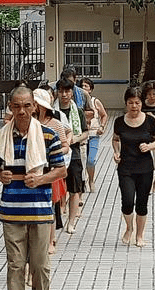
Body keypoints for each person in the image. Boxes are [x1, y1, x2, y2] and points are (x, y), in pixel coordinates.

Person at [0, 86, 67, 290]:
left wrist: (41, 180)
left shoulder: (49, 136)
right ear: (10, 107)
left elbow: (61, 170)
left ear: (34, 107)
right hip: (11, 212)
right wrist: (0, 175)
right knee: (15, 265)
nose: (22, 111)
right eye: (16, 106)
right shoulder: (0, 137)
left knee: (40, 266)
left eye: (26, 106)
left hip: (40, 211)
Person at [112, 86, 155, 247]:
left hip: (145, 168)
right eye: (130, 103)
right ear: (126, 103)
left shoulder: (149, 121)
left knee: (142, 203)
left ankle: (140, 235)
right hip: (125, 167)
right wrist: (116, 152)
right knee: (127, 201)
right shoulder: (119, 122)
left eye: (137, 103)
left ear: (142, 103)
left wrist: (149, 146)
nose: (134, 106)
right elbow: (115, 139)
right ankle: (129, 228)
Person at [33, 88, 71, 255]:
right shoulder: (28, 123)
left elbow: (65, 146)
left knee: (50, 205)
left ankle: (50, 240)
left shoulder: (55, 123)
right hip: (33, 169)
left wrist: (52, 153)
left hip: (50, 169)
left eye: (35, 103)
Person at [54, 77, 88, 234]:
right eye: (61, 91)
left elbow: (85, 132)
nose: (64, 95)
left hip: (74, 154)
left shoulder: (77, 112)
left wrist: (75, 138)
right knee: (56, 188)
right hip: (56, 155)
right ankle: (57, 218)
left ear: (72, 93)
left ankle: (71, 222)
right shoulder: (52, 112)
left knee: (74, 189)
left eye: (67, 91)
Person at [78, 77, 108, 192]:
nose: (83, 88)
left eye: (86, 86)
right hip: (81, 136)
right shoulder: (76, 102)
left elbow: (104, 115)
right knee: (81, 160)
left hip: (93, 134)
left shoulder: (95, 101)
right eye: (81, 86)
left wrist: (102, 126)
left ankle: (91, 180)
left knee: (90, 160)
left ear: (90, 89)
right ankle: (82, 181)